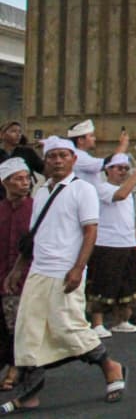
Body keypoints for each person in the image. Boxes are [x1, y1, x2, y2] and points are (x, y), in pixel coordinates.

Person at [2, 137, 126, 410]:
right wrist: (18, 269)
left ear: (73, 159)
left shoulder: (82, 189)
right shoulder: (42, 192)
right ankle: (29, 393)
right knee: (28, 332)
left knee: (69, 326)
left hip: (65, 271)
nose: (57, 161)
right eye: (52, 156)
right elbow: (33, 236)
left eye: (62, 155)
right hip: (38, 270)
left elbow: (90, 231)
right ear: (45, 161)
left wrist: (78, 268)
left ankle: (110, 366)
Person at [86, 154, 136, 336]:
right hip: (107, 244)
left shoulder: (128, 190)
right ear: (108, 170)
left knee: (127, 284)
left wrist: (135, 240)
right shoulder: (102, 188)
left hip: (126, 243)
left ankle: (121, 320)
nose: (123, 171)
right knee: (103, 283)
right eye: (119, 168)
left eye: (125, 168)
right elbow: (120, 195)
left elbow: (128, 218)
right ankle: (97, 323)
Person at [0, 159, 32, 392]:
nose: (24, 183)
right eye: (18, 179)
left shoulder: (35, 208)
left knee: (18, 326)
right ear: (5, 182)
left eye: (26, 178)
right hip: (1, 274)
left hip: (26, 278)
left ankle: (16, 367)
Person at [69, 120, 129, 187]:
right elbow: (108, 163)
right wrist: (123, 145)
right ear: (81, 140)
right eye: (91, 136)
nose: (94, 139)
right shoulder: (78, 156)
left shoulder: (84, 155)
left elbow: (100, 173)